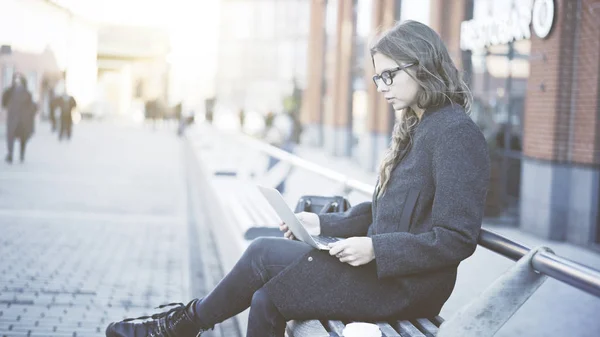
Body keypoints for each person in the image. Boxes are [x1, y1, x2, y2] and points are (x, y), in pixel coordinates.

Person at [105, 20, 490, 337]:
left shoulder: (455, 134)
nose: (382, 87)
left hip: (405, 286)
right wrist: (321, 223)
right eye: (378, 78)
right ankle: (182, 324)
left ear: (421, 65)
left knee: (262, 256)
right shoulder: (417, 126)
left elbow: (457, 238)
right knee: (266, 297)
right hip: (383, 273)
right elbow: (384, 211)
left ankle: (181, 325)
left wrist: (377, 249)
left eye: (389, 75)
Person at [2, 73, 36, 163]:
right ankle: (15, 154)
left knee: (16, 137)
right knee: (18, 137)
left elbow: (4, 103)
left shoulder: (15, 92)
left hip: (18, 118)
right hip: (19, 118)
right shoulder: (12, 91)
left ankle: (15, 154)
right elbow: (4, 103)